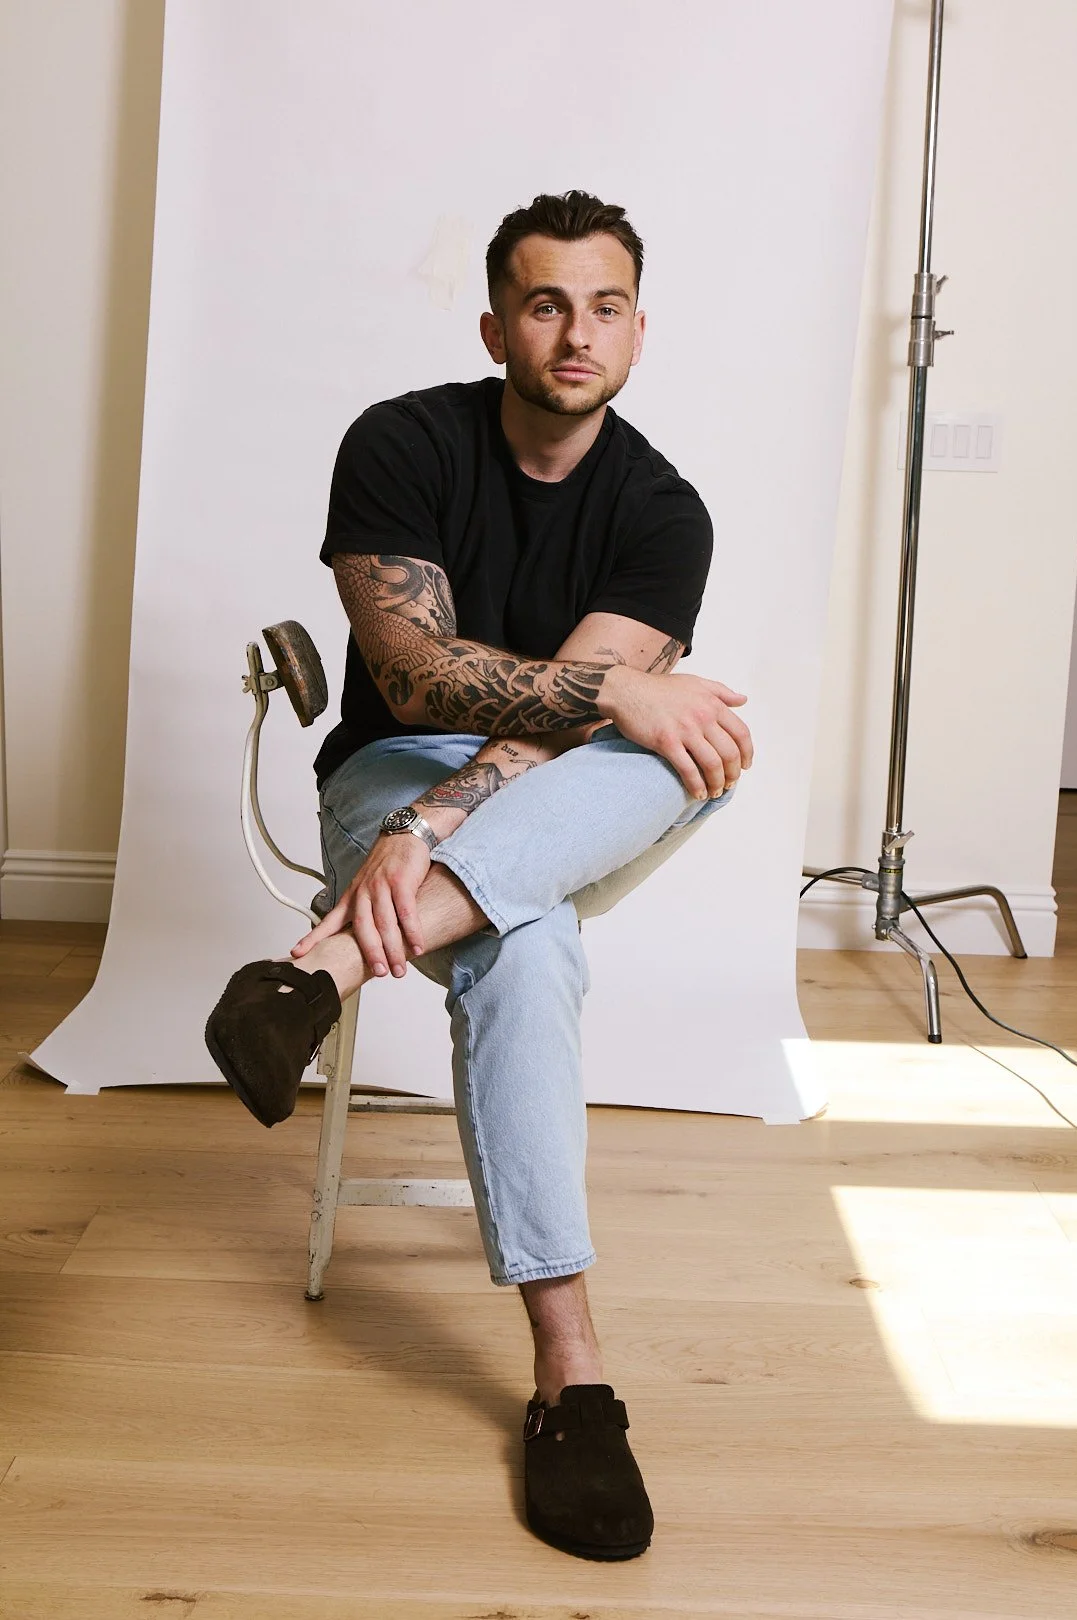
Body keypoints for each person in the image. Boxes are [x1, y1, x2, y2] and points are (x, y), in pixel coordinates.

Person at [206, 190, 753, 1562]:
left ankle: (309, 977)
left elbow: (564, 726)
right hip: (391, 773)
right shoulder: (400, 441)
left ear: (640, 325)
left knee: (682, 748)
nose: (578, 334)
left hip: (522, 793)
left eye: (606, 305)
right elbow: (414, 671)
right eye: (548, 303)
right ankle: (573, 1377)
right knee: (531, 941)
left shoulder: (663, 509)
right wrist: (439, 797)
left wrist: (448, 825)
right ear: (499, 318)